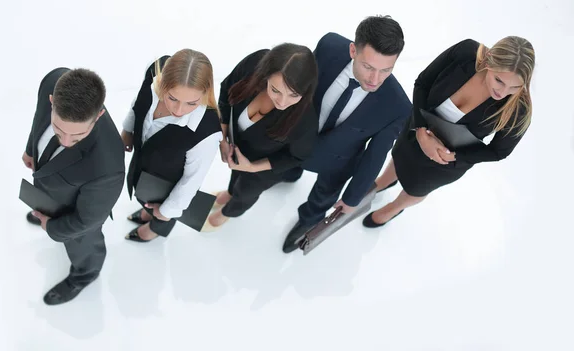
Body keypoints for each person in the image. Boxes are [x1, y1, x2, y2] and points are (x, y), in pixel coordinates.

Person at [361, 36, 535, 228]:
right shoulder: (466, 52)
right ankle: (385, 181)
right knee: (400, 156)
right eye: (499, 80)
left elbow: (499, 151)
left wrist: (453, 157)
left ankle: (394, 208)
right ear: (490, 59)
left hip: (446, 161)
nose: (503, 93)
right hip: (417, 127)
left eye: (515, 87)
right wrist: (420, 129)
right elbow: (423, 83)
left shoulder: (519, 110)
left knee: (416, 188)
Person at [280, 15, 412, 253]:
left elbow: (376, 155)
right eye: (368, 67)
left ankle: (308, 219)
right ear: (353, 50)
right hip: (300, 135)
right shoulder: (329, 46)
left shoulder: (398, 106)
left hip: (339, 161)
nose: (375, 80)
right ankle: (289, 174)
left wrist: (353, 199)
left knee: (323, 197)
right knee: (289, 163)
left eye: (386, 70)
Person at [23, 68, 125, 305]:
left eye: (77, 136)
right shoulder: (52, 81)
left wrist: (53, 228)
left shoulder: (107, 166)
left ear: (98, 115)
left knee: (85, 242)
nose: (65, 141)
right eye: (59, 130)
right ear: (52, 101)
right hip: (54, 190)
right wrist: (31, 149)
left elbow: (86, 221)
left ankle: (85, 275)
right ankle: (45, 210)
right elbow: (39, 117)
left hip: (78, 212)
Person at [205, 43, 319, 230]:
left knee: (246, 193)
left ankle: (228, 213)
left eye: (294, 95)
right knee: (235, 177)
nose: (282, 102)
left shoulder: (305, 121)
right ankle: (230, 192)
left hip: (263, 169)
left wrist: (252, 167)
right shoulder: (254, 64)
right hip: (237, 147)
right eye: (275, 90)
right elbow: (226, 91)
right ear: (265, 75)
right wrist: (223, 138)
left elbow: (297, 156)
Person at [121, 49, 222, 242]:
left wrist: (167, 211)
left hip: (168, 184)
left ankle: (154, 229)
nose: (179, 110)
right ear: (163, 83)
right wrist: (127, 130)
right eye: (172, 98)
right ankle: (146, 212)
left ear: (205, 92)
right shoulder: (154, 74)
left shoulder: (207, 132)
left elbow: (191, 181)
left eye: (191, 103)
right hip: (143, 168)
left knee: (161, 213)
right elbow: (139, 102)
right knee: (145, 199)